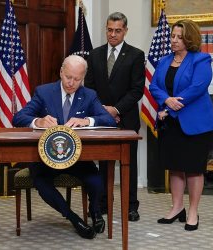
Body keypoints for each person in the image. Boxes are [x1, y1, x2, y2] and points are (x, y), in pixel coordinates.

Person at [12, 55, 116, 239]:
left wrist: (87, 121)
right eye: (68, 77)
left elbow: (109, 120)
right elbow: (18, 118)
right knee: (42, 183)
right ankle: (74, 218)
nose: (71, 83)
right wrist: (39, 121)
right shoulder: (44, 92)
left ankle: (95, 211)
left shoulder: (89, 95)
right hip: (46, 158)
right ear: (61, 72)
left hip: (77, 157)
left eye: (77, 79)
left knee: (96, 180)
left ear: (83, 77)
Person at [149, 19, 213, 231]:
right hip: (171, 124)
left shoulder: (201, 59)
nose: (174, 40)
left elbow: (197, 87)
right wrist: (165, 100)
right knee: (175, 167)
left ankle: (193, 211)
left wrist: (169, 106)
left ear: (190, 38)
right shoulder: (164, 61)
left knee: (194, 169)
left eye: (179, 37)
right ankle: (177, 207)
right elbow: (154, 86)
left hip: (195, 124)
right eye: (173, 36)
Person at [84, 12, 145, 221]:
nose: (113, 34)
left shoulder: (136, 55)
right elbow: (89, 88)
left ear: (125, 31)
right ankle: (102, 203)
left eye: (117, 30)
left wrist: (116, 109)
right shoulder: (95, 55)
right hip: (101, 119)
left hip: (126, 118)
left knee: (129, 163)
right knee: (103, 162)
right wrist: (103, 110)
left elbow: (137, 90)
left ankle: (130, 206)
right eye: (109, 30)